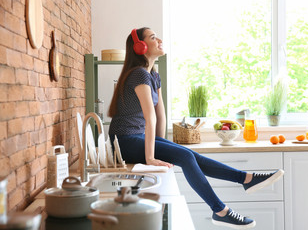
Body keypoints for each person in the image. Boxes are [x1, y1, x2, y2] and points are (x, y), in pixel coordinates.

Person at [108, 27, 284, 229]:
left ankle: (246, 178)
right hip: (124, 141)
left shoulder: (153, 75)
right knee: (186, 157)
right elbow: (149, 117)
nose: (160, 40)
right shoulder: (138, 74)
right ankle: (220, 210)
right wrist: (151, 157)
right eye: (154, 37)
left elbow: (160, 115)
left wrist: (164, 146)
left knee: (187, 153)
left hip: (138, 136)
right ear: (141, 46)